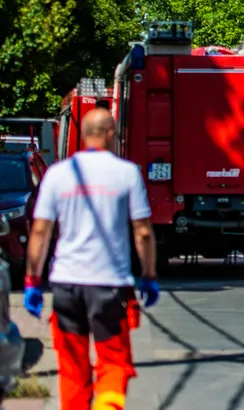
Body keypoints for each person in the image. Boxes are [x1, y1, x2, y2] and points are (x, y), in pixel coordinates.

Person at [24, 108, 158, 410]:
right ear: (111, 134)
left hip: (66, 285)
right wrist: (148, 275)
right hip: (109, 286)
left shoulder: (58, 174)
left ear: (83, 134)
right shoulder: (127, 173)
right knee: (113, 363)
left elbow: (40, 232)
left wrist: (32, 281)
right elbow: (143, 232)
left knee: (72, 367)